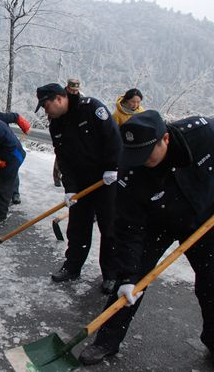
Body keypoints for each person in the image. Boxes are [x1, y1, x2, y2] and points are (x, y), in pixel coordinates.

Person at [79, 110, 214, 365]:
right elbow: (128, 229)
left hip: (205, 219)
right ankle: (106, 340)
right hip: (156, 223)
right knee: (127, 284)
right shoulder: (131, 171)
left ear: (164, 139)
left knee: (211, 283)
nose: (140, 160)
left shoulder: (204, 133)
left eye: (146, 154)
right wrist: (129, 277)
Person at [35, 83, 121, 294]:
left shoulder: (91, 108)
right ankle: (72, 267)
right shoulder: (55, 125)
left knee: (109, 228)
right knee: (77, 227)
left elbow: (113, 138)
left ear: (59, 98)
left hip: (106, 180)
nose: (46, 111)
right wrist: (70, 188)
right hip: (81, 183)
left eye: (46, 106)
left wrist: (112, 168)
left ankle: (111, 274)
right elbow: (63, 158)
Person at [0, 111, 31, 204]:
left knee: (12, 170)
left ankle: (15, 193)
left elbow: (15, 116)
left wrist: (23, 125)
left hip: (10, 148)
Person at [53, 79, 81, 187]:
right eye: (71, 90)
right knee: (61, 154)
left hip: (75, 130)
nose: (74, 92)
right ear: (67, 88)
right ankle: (56, 176)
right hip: (62, 128)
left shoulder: (80, 97)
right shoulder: (60, 97)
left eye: (76, 90)